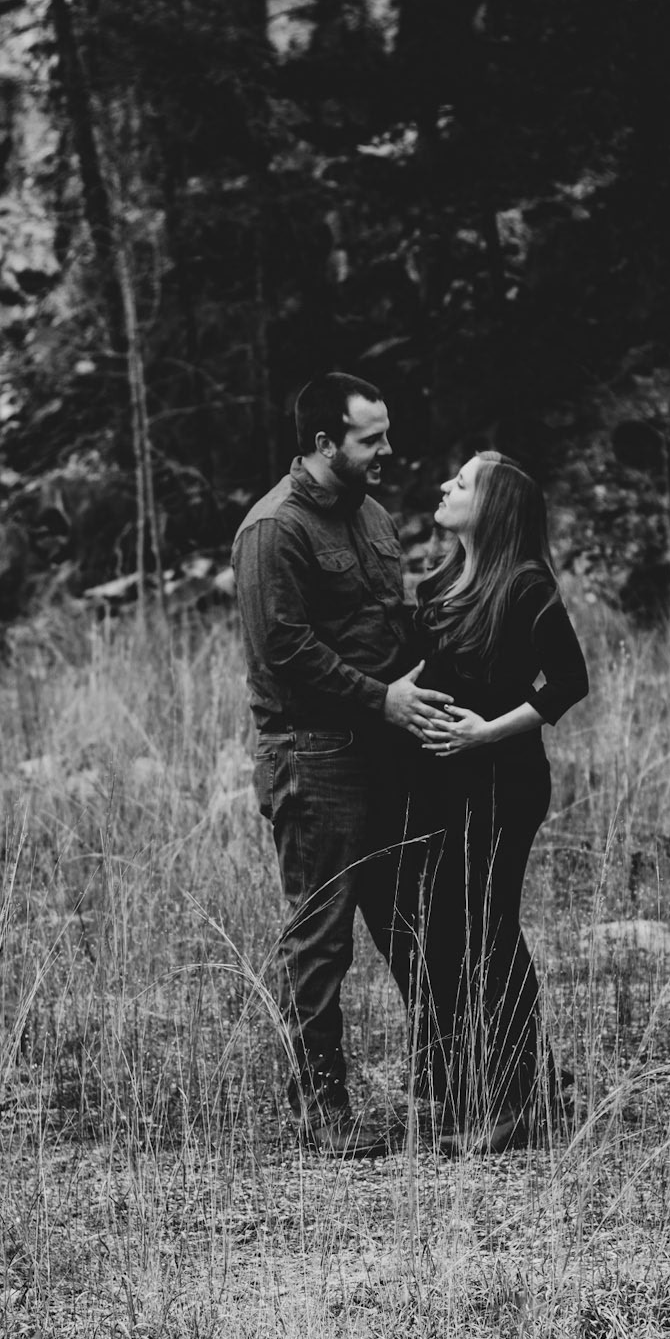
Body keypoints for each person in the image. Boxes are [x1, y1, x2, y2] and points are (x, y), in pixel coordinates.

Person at [231, 371, 454, 1152]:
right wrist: (379, 698)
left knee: (415, 925)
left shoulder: (371, 514)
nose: (387, 449)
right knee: (321, 937)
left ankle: (445, 1088)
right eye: (371, 438)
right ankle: (320, 1112)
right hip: (314, 755)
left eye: (385, 434)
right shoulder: (273, 530)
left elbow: (392, 618)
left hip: (387, 753)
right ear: (325, 443)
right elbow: (283, 650)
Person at [411, 451, 589, 1151]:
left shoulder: (525, 585)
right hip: (441, 782)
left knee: (489, 929)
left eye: (460, 483)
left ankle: (516, 1100)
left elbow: (568, 681)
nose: (445, 486)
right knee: (445, 931)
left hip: (503, 782)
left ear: (493, 508)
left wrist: (487, 731)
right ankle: (476, 1088)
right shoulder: (444, 580)